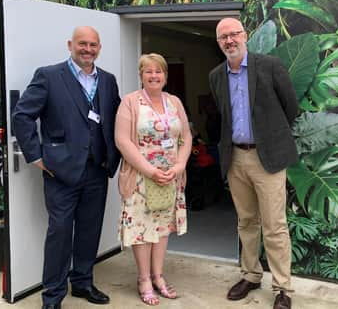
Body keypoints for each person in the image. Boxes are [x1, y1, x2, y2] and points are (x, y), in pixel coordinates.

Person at [12, 26, 121, 309]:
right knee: (60, 232)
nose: (88, 49)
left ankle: (83, 282)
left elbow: (117, 118)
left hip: (97, 168)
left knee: (89, 229)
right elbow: (22, 116)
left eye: (93, 45)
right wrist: (36, 156)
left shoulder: (108, 81)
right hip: (60, 171)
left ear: (99, 48)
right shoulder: (48, 76)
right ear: (70, 44)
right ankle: (52, 296)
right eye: (82, 44)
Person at [208, 18, 298, 309]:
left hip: (267, 158)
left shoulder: (269, 66)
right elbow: (223, 115)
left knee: (275, 226)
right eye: (223, 37)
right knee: (246, 222)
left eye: (234, 34)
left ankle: (282, 288)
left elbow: (290, 107)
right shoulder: (216, 76)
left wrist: (269, 137)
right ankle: (250, 275)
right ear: (219, 42)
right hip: (236, 158)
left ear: (245, 35)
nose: (229, 41)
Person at [115, 53, 192, 306]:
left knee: (162, 229)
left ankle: (158, 276)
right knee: (142, 230)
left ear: (166, 76)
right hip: (140, 178)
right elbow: (123, 141)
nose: (154, 76)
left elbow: (186, 137)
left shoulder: (174, 102)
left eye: (158, 71)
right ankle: (144, 279)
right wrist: (149, 170)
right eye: (148, 71)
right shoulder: (130, 102)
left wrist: (179, 165)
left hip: (170, 177)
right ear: (141, 75)